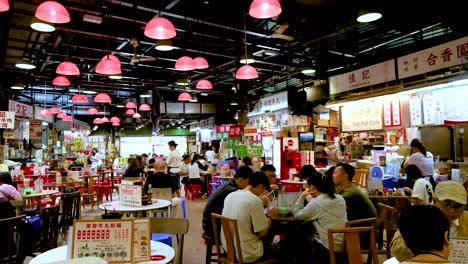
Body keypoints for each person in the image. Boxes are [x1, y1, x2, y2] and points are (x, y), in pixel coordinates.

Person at [391, 181, 467, 261]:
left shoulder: (466, 219)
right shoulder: (418, 216)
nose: (452, 211)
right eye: (447, 205)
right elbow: (397, 250)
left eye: (457, 206)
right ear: (434, 201)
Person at [293, 172, 348, 264]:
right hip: (344, 243)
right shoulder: (340, 198)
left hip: (328, 246)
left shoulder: (316, 204)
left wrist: (302, 197)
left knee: (297, 237)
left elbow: (297, 215)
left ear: (313, 187)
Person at [222, 172, 273, 263]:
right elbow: (262, 233)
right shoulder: (254, 199)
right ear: (261, 186)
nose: (262, 193)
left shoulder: (231, 195)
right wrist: (270, 216)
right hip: (247, 253)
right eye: (263, 190)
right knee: (283, 248)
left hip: (228, 249)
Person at [202, 166, 253, 239]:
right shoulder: (231, 191)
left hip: (211, 224)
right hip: (213, 229)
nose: (250, 186)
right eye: (249, 183)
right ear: (241, 180)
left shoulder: (230, 185)